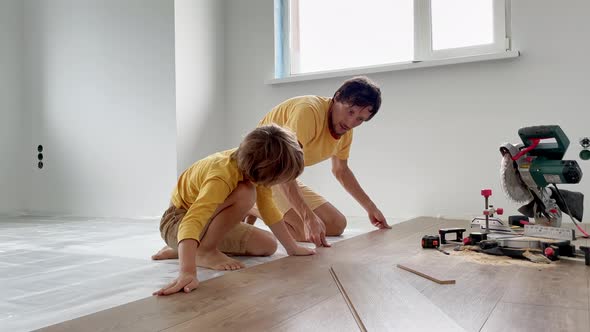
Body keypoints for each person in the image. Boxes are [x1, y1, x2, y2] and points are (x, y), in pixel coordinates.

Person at [152, 124, 315, 296]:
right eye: (278, 181)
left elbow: (268, 209)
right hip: (177, 222)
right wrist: (187, 272)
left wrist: (292, 247)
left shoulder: (251, 163)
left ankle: (185, 249)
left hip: (202, 224)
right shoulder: (221, 176)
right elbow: (193, 220)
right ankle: (204, 251)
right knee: (245, 194)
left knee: (268, 245)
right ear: (264, 172)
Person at [250, 76, 391, 247]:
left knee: (336, 224)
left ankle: (260, 205)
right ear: (337, 97)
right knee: (304, 230)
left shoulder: (346, 131)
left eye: (360, 119)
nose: (351, 122)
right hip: (264, 171)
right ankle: (251, 204)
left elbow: (341, 171)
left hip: (283, 175)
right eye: (350, 111)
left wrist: (371, 207)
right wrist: (307, 217)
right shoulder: (308, 112)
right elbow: (284, 165)